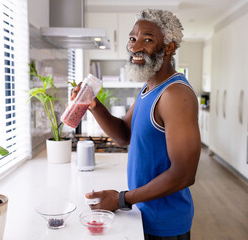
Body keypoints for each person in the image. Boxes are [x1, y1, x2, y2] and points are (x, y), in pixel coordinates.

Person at [73, 9, 201, 240]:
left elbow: (184, 174)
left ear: (169, 48)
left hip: (166, 223)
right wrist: (94, 104)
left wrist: (122, 199)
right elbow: (124, 135)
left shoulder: (175, 95)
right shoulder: (148, 88)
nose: (135, 47)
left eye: (147, 40)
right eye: (133, 38)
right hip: (145, 212)